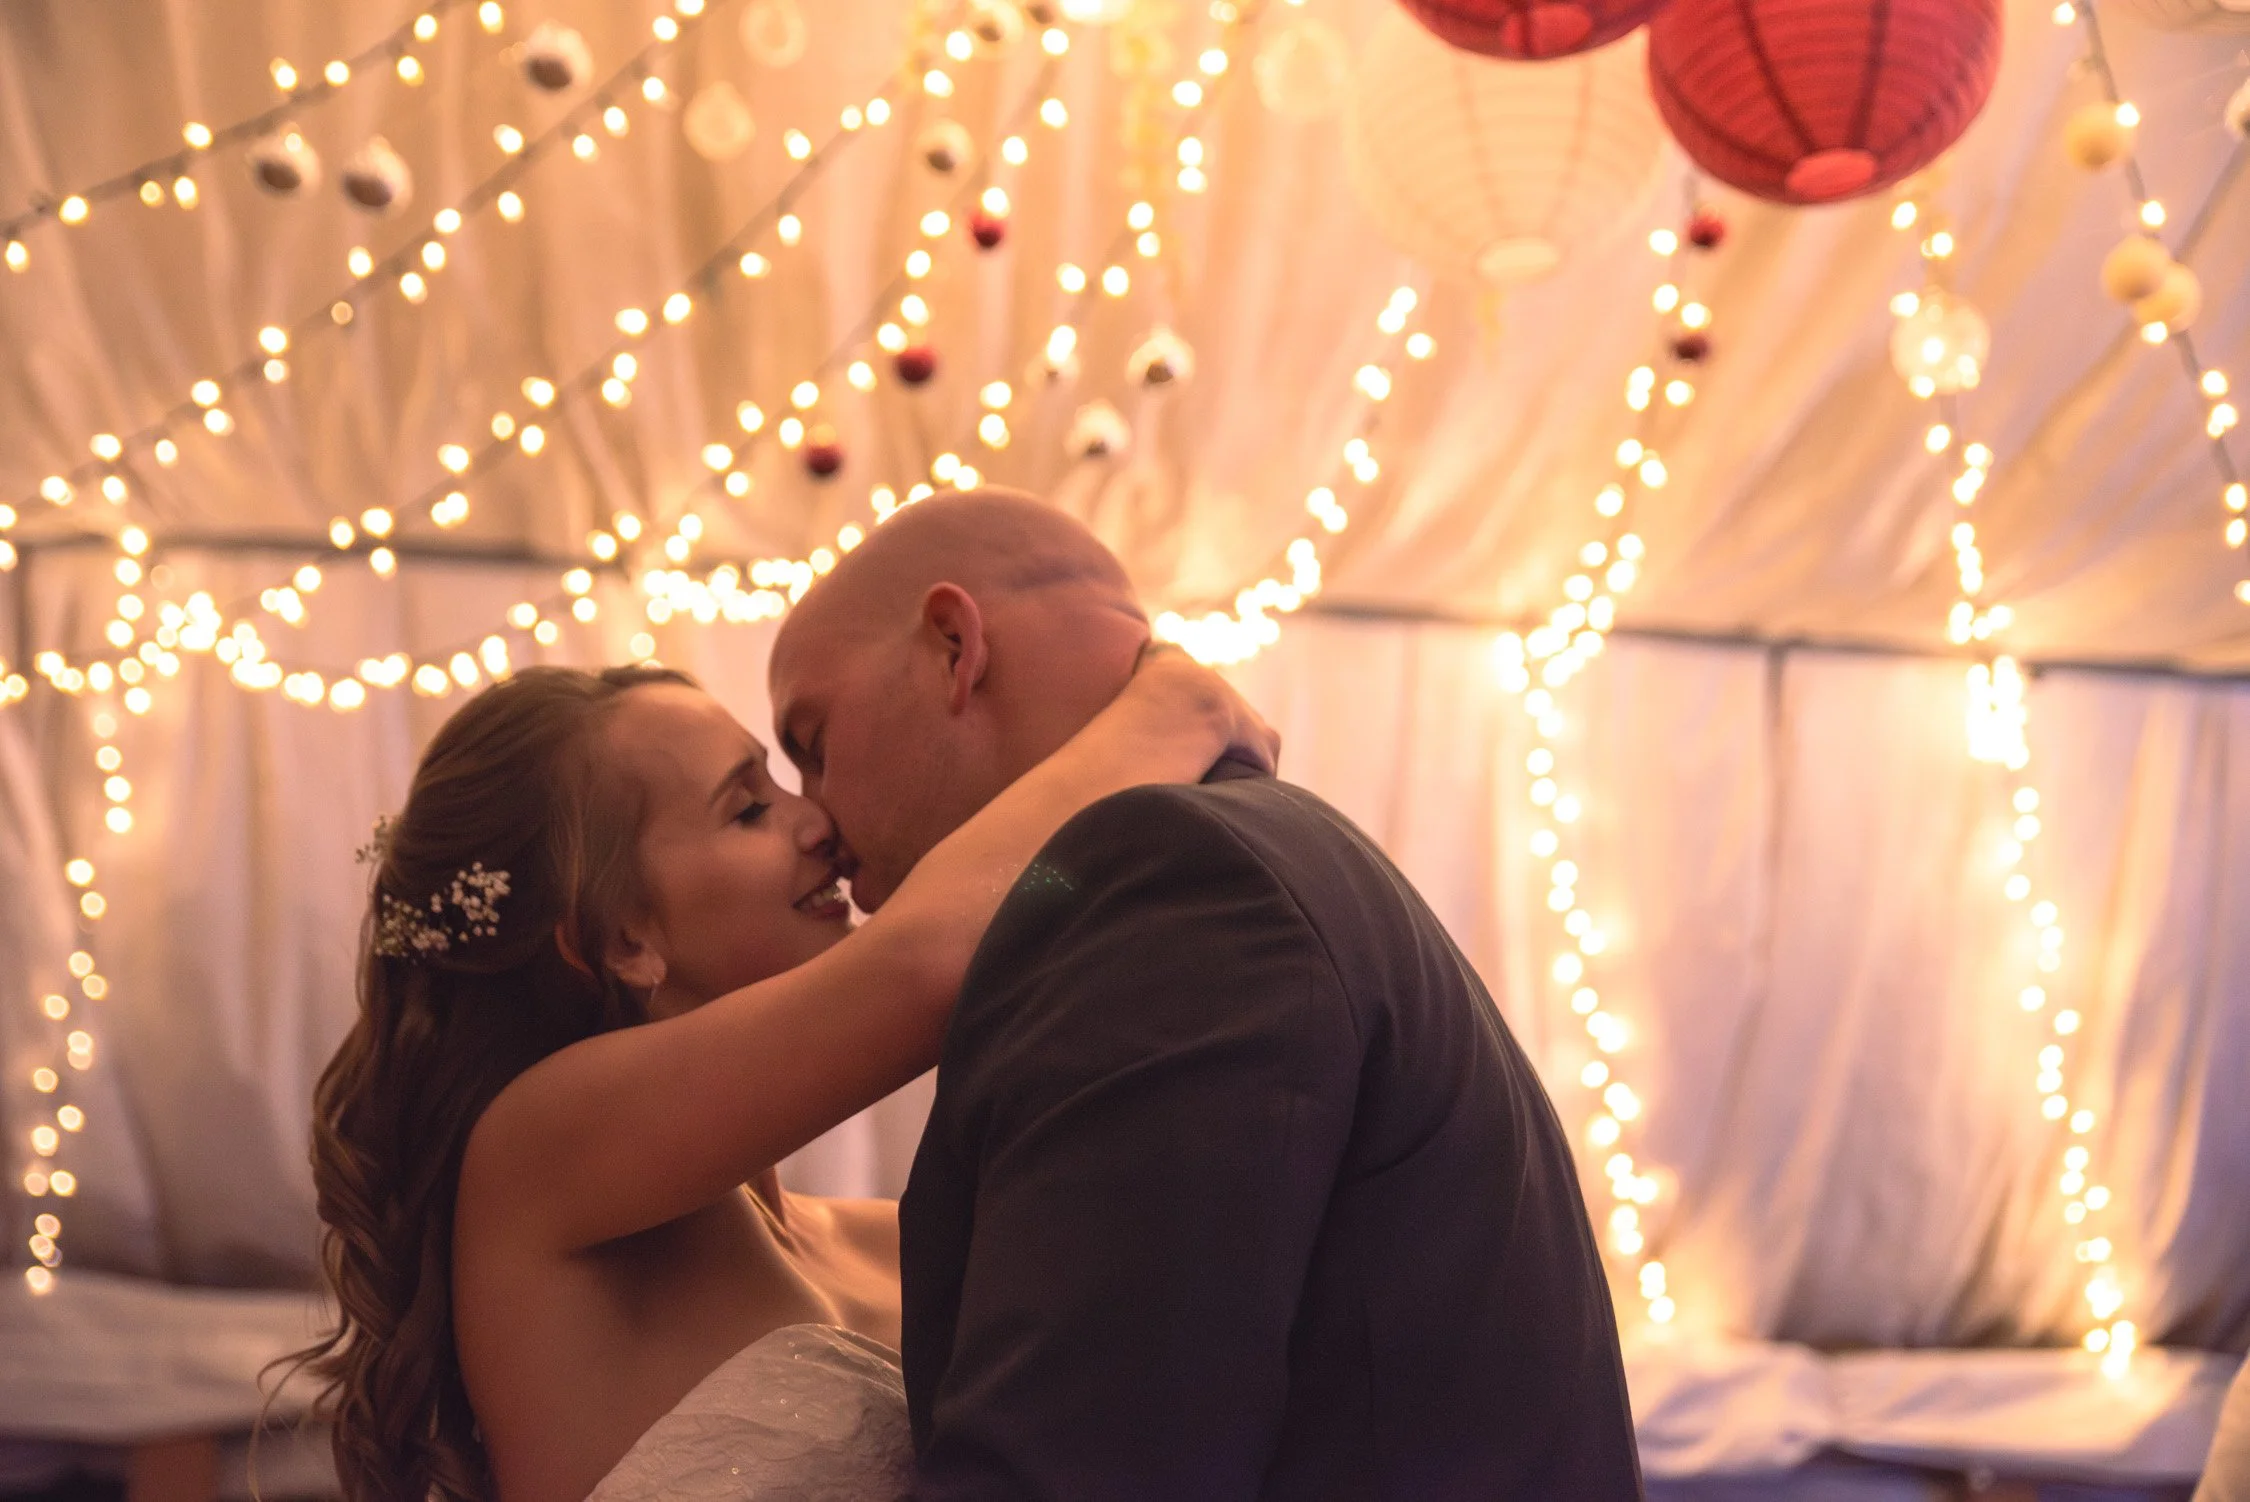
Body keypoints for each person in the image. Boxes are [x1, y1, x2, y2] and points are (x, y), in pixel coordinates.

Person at [768, 490, 1644, 1500]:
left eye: (811, 740)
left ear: (954, 645)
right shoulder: (1190, 859)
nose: (815, 819)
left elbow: (1075, 1468)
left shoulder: (1164, 882)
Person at [293, 652, 1276, 1502]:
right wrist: (1172, 701)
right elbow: (934, 955)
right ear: (626, 937)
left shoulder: (885, 1233)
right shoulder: (533, 1147)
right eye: (750, 806)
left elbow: (1016, 909)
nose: (817, 820)